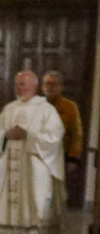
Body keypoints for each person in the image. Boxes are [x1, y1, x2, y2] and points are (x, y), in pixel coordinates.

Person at [0, 70, 66, 234]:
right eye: (17, 84)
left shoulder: (46, 109)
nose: (19, 88)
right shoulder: (10, 108)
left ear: (34, 85)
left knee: (38, 202)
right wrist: (6, 135)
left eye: (23, 84)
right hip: (12, 164)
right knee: (12, 205)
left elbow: (54, 137)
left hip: (34, 166)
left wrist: (28, 136)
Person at [41, 70, 84, 206]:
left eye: (54, 84)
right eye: (47, 84)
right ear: (42, 87)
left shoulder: (70, 107)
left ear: (61, 87)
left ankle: (54, 222)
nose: (50, 87)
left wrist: (73, 158)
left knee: (56, 194)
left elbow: (77, 134)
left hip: (59, 156)